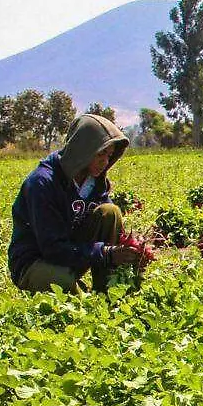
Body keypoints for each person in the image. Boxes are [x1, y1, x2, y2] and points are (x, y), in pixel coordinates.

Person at [8, 114, 140, 293]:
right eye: (100, 153)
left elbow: (106, 224)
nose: (105, 162)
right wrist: (106, 253)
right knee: (71, 295)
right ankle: (76, 289)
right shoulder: (42, 183)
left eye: (109, 155)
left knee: (110, 212)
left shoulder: (94, 181)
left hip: (71, 255)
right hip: (35, 262)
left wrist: (128, 247)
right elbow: (52, 249)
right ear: (82, 150)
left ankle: (109, 292)